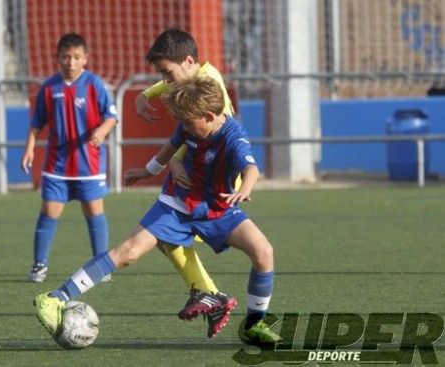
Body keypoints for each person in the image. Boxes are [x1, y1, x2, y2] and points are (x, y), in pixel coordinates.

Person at [34, 76, 281, 344]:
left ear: (209, 116)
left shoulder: (233, 136)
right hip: (177, 203)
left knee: (264, 252)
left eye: (188, 122)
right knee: (127, 253)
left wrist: (245, 188)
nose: (184, 127)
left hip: (219, 207)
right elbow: (170, 148)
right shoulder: (189, 124)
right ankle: (55, 297)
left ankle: (254, 324)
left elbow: (251, 168)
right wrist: (146, 171)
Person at [135, 28, 238, 328]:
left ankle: (210, 294)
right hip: (201, 172)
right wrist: (145, 94)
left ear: (189, 61)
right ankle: (208, 294)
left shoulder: (208, 84)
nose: (165, 82)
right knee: (164, 238)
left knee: (163, 234)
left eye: (167, 74)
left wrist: (175, 161)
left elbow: (212, 134)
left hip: (214, 178)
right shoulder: (197, 74)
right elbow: (174, 84)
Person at [21, 33, 118, 283]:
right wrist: (30, 148)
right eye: (66, 57)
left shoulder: (95, 85)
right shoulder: (49, 87)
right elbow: (36, 123)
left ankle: (100, 265)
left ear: (85, 59)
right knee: (49, 212)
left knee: (94, 210)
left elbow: (111, 116)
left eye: (76, 57)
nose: (71, 62)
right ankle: (39, 264)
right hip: (57, 165)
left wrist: (102, 130)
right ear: (58, 59)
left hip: (89, 163)